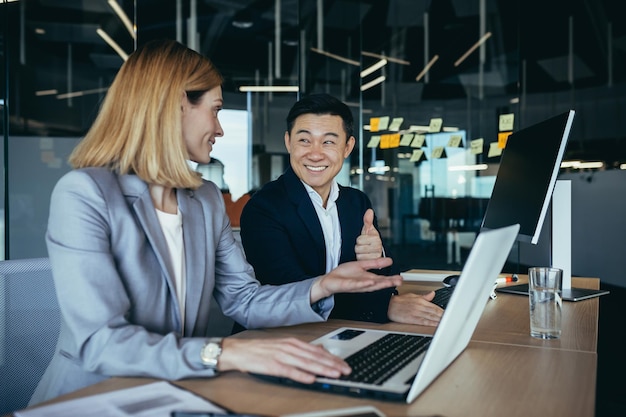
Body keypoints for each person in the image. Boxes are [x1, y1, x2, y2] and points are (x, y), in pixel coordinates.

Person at [29, 40, 402, 405]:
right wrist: (222, 353)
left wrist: (323, 285)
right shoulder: (85, 194)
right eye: (216, 109)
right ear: (176, 106)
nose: (220, 129)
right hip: (93, 397)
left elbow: (243, 299)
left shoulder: (204, 199)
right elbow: (100, 342)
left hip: (178, 388)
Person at [239, 93, 443, 328]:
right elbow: (290, 291)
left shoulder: (356, 203)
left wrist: (376, 257)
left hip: (343, 331)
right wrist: (382, 307)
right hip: (278, 339)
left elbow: (383, 279)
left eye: (328, 142)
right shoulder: (264, 207)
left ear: (347, 147)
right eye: (304, 140)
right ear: (288, 142)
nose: (315, 154)